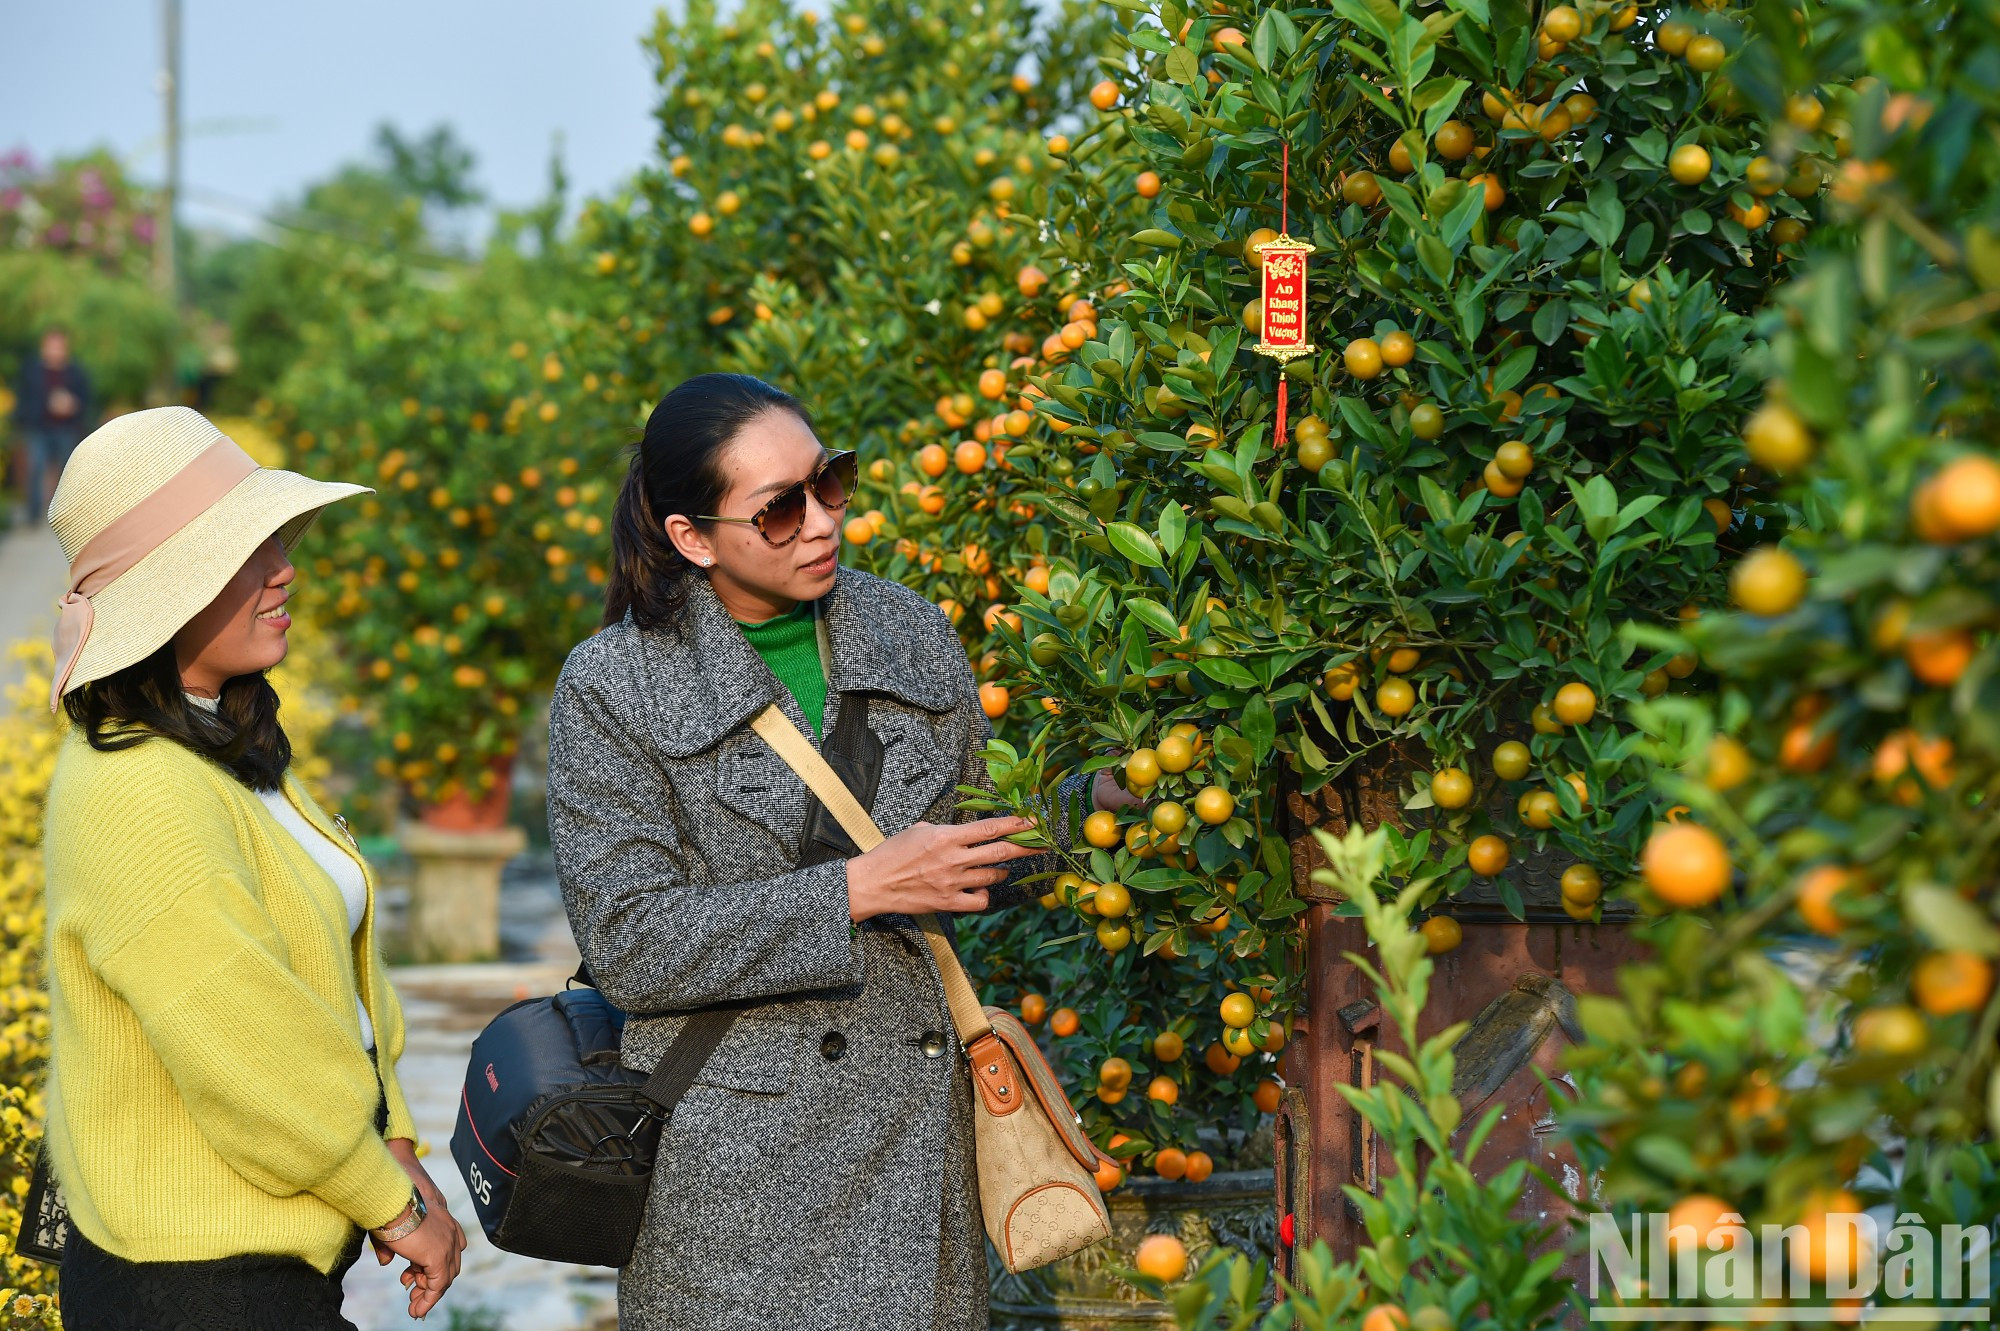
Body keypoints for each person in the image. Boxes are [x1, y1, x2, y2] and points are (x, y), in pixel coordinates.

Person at [545, 372, 1124, 1330]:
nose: (821, 522)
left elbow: (966, 845)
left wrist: (1092, 807)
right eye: (778, 509)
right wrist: (856, 889)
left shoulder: (909, 631)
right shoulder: (614, 684)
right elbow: (630, 943)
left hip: (913, 1144)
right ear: (692, 536)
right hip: (734, 1183)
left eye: (830, 481)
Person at [41, 406, 466, 1330]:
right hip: (195, 1279)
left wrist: (393, 1137)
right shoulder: (137, 784)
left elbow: (337, 978)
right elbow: (244, 1043)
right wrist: (390, 1202)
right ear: (167, 592)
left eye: (274, 538)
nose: (284, 569)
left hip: (252, 1263)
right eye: (244, 550)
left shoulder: (221, 735)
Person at [12, 325, 94, 522]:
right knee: (36, 467)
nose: (56, 350)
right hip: (39, 428)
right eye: (52, 346)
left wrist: (72, 404)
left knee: (69, 470)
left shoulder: (76, 372)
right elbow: (24, 399)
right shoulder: (32, 371)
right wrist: (46, 406)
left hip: (66, 428)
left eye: (59, 346)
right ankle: (33, 514)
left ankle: (70, 513)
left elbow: (86, 399)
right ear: (44, 347)